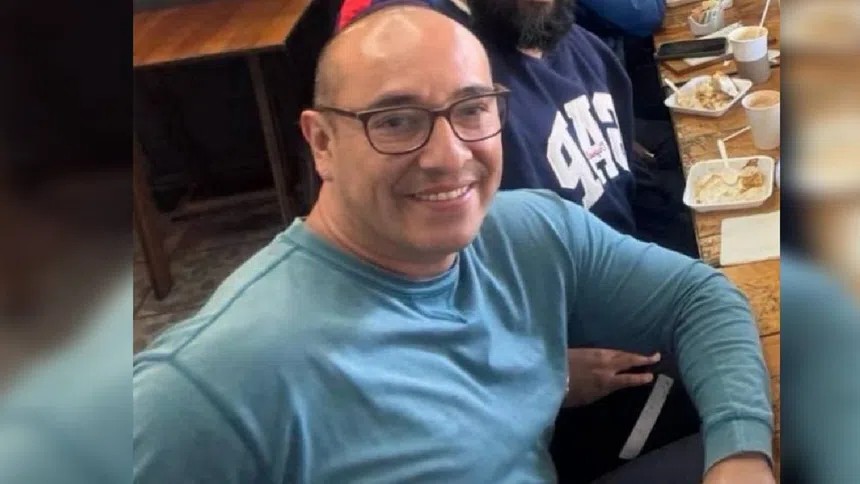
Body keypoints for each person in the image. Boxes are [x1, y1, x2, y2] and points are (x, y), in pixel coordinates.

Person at [134, 5, 775, 483]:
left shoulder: (527, 230)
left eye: (471, 109)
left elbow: (702, 299)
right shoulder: (208, 387)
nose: (448, 156)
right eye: (394, 121)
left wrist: (741, 455)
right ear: (321, 143)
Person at [336, 1, 699, 480]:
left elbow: (629, 199)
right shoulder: (436, 77)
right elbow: (384, 334)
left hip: (630, 315)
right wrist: (544, 374)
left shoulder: (581, 48)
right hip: (545, 410)